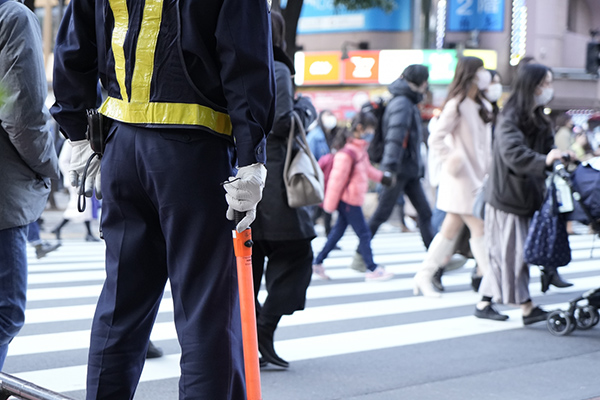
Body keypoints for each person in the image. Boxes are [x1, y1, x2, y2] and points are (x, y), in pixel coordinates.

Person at [51, 0, 275, 398]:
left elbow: (74, 44)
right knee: (207, 315)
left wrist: (78, 132)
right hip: (193, 152)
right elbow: (244, 62)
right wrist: (250, 159)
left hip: (121, 148)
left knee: (121, 306)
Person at [250, 11, 316, 370]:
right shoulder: (276, 67)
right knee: (297, 254)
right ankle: (263, 328)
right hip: (274, 181)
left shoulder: (238, 63)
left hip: (243, 177)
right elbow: (280, 121)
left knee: (251, 262)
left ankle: (253, 336)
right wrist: (306, 110)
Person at [476, 63, 566, 324]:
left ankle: (484, 301)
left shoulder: (538, 116)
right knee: (512, 253)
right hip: (509, 196)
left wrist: (558, 158)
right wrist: (545, 161)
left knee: (506, 252)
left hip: (524, 195)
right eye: (545, 83)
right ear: (533, 86)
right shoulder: (511, 116)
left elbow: (548, 149)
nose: (549, 89)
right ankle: (526, 307)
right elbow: (514, 154)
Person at [0, 0, 60, 369]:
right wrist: (49, 168)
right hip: (3, 194)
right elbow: (21, 114)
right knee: (5, 311)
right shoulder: (12, 17)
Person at [413, 57, 493, 298]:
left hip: (477, 176)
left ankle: (424, 275)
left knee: (449, 230)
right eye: (480, 70)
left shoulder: (480, 104)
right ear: (470, 74)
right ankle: (493, 281)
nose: (485, 75)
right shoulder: (456, 104)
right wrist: (453, 158)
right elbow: (436, 138)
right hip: (461, 178)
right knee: (478, 227)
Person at [350, 64, 435, 271]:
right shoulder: (403, 103)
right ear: (422, 83)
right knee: (382, 213)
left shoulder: (405, 101)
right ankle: (360, 255)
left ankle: (436, 257)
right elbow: (395, 139)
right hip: (399, 170)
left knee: (424, 212)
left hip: (407, 171)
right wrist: (388, 171)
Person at [313, 111, 395, 281]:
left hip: (352, 200)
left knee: (337, 233)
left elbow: (368, 170)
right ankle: (372, 269)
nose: (371, 134)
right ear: (360, 128)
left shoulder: (359, 150)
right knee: (364, 233)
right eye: (370, 129)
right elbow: (336, 181)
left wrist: (383, 178)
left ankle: (317, 262)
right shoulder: (347, 153)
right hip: (349, 201)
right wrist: (329, 205)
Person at [51, 140, 101, 242]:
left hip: (85, 179)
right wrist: (72, 175)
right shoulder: (70, 141)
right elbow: (63, 161)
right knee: (80, 205)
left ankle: (87, 233)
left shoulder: (85, 140)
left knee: (81, 206)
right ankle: (87, 233)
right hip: (76, 180)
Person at [307, 110, 341, 239]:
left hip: (330, 179)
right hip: (319, 179)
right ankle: (309, 234)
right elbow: (310, 158)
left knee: (327, 209)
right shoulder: (315, 136)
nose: (330, 119)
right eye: (327, 116)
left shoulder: (333, 135)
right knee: (319, 209)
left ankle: (329, 237)